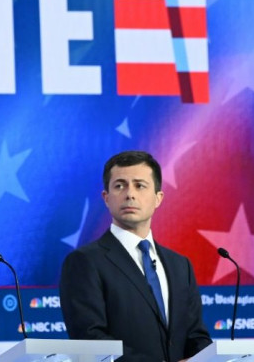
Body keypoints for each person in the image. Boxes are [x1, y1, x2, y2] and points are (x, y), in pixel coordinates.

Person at [59, 150, 211, 362]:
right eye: (120, 185)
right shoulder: (85, 262)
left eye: (140, 185)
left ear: (158, 198)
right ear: (106, 198)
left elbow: (196, 335)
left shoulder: (180, 266)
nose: (130, 194)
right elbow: (90, 340)